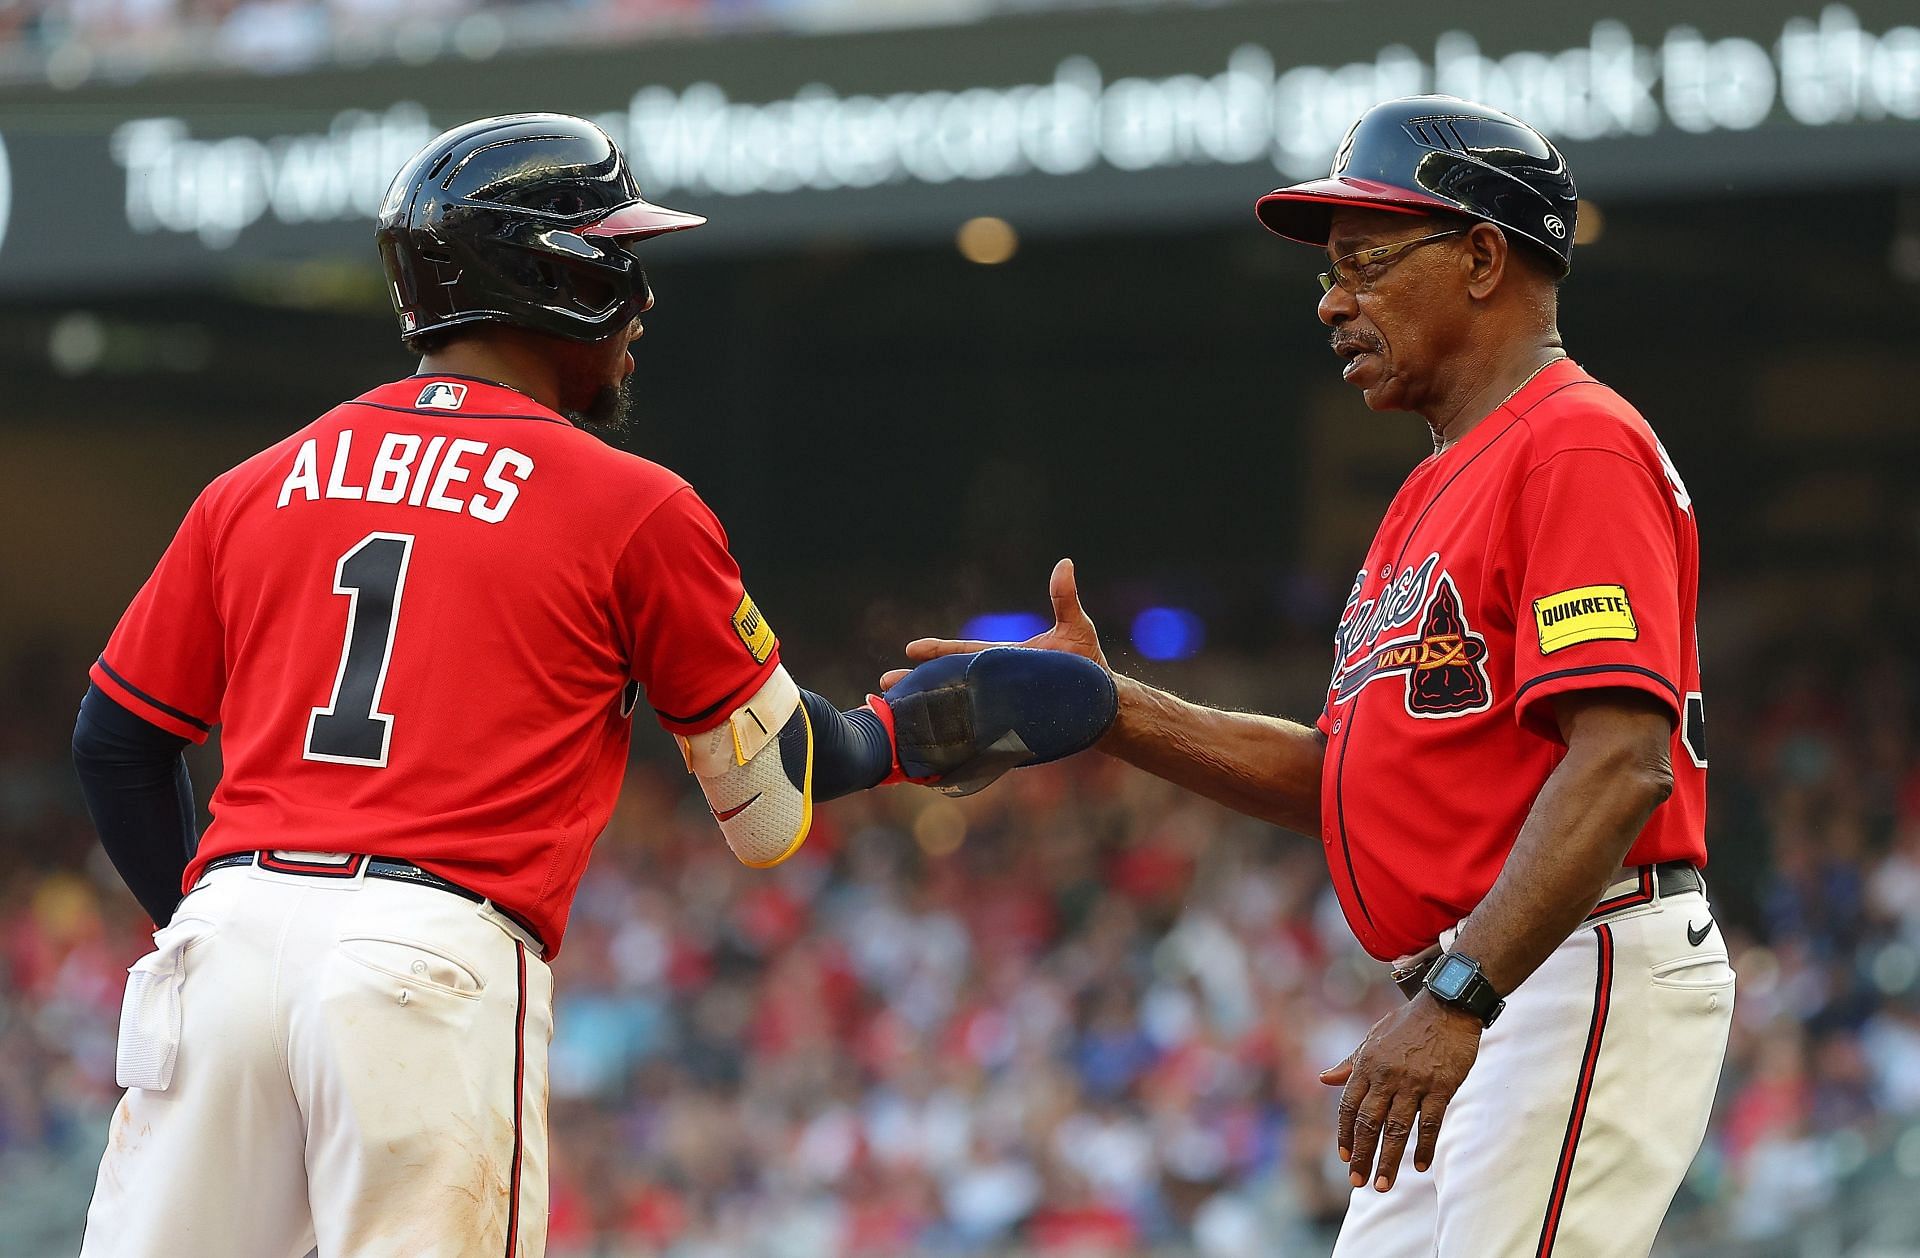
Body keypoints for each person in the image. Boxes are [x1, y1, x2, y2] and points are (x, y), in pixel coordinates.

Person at [69, 113, 1113, 1258]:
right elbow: (772, 803)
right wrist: (926, 727)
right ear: (554, 277)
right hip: (427, 955)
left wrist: (227, 937)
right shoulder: (628, 503)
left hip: (222, 940)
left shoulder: (258, 481)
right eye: (623, 260)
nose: (642, 305)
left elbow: (115, 742)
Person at [894, 96, 1732, 1256]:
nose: (1332, 299)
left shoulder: (1573, 443)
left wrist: (1459, 994)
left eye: (1367, 261)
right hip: (1489, 977)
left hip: (1568, 962)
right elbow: (1346, 782)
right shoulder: (1432, 489)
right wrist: (1110, 708)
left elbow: (1623, 758)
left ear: (1484, 257)